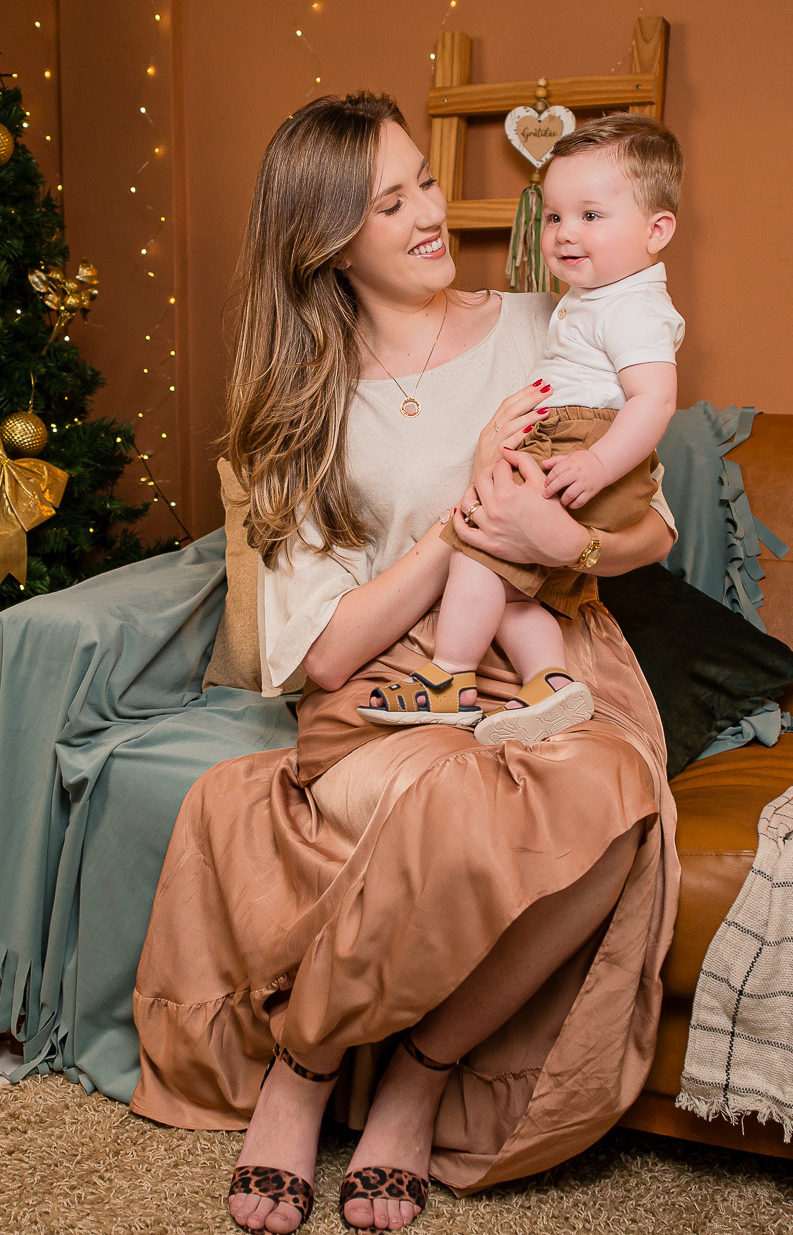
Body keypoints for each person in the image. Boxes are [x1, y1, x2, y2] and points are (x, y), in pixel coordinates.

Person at [129, 92, 680, 1235]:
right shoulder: (300, 401)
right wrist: (465, 512)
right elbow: (324, 647)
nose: (431, 213)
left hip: (546, 659)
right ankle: (305, 1066)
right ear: (327, 240)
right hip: (385, 686)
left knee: (620, 799)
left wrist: (562, 541)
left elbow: (648, 528)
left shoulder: (549, 321)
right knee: (454, 787)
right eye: (390, 203)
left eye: (422, 180)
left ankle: (421, 1075)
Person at [360, 114, 684, 747]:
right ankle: (551, 683)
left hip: (582, 443)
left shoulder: (632, 306)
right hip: (571, 440)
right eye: (555, 216)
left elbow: (656, 400)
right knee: (510, 590)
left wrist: (597, 465)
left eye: (591, 215)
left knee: (480, 542)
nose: (564, 233)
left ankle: (449, 676)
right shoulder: (598, 297)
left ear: (657, 230)